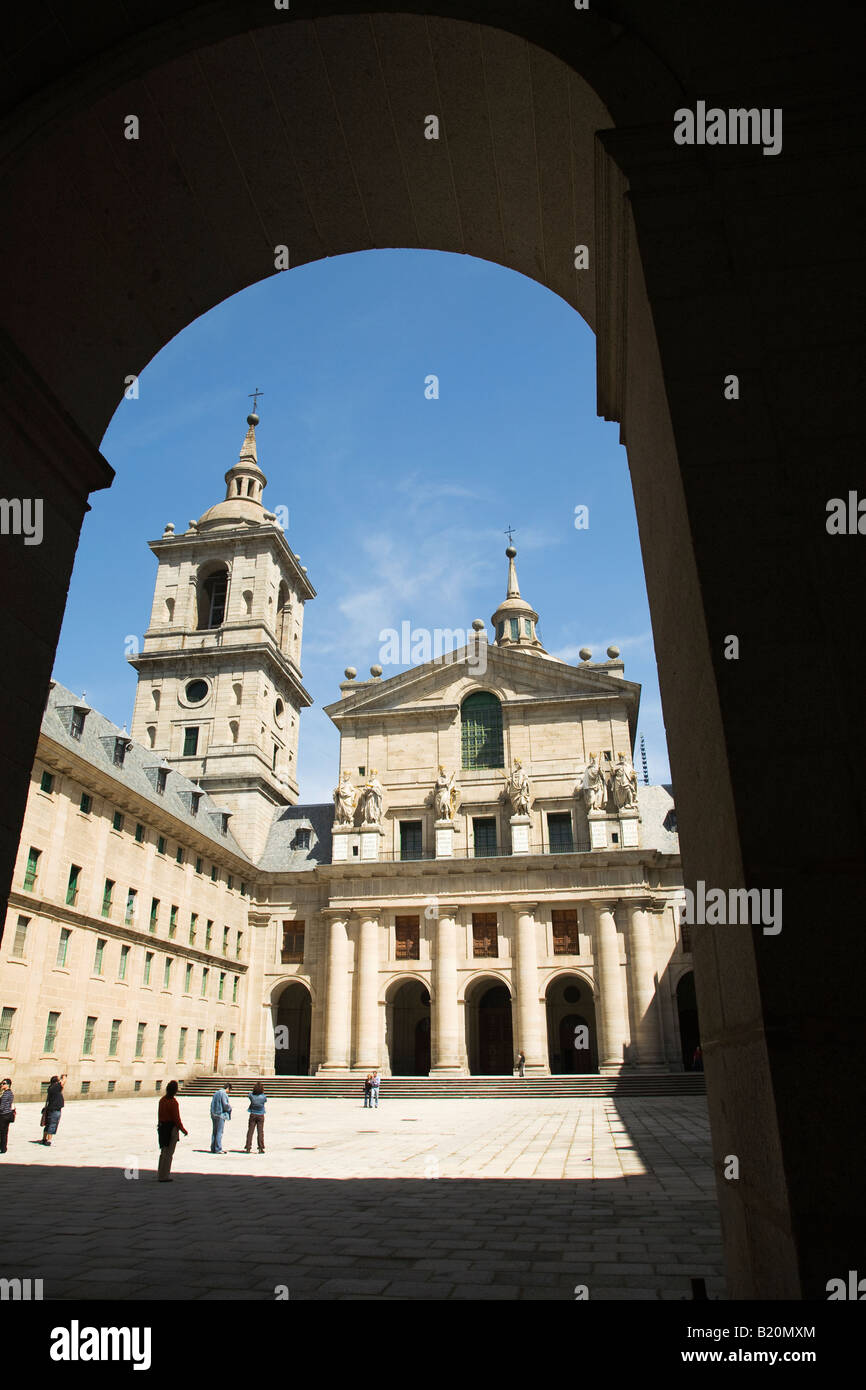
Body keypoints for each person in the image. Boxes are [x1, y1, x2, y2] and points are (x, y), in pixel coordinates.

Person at [157, 1080, 188, 1182]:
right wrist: (183, 1130)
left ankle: (160, 1174)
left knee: (163, 1152)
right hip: (171, 1129)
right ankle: (164, 1175)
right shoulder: (173, 1102)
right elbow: (176, 1118)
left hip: (162, 1127)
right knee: (169, 1153)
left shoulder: (162, 1100)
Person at [40, 1073, 65, 1145]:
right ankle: (49, 1140)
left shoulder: (50, 1087)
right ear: (56, 1082)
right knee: (53, 1124)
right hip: (55, 1109)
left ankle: (44, 1138)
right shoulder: (56, 1087)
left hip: (50, 1108)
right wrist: (64, 1076)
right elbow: (64, 1081)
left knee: (48, 1124)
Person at [244, 1083, 267, 1153]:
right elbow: (265, 1100)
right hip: (260, 1115)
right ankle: (260, 1147)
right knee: (260, 1132)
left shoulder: (252, 1096)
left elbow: (249, 1094)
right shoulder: (263, 1097)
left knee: (250, 1131)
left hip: (253, 1114)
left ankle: (248, 1147)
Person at [210, 1082, 232, 1153]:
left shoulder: (216, 1092)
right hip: (220, 1114)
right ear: (227, 1088)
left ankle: (213, 1147)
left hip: (214, 1114)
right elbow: (225, 1104)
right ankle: (218, 1148)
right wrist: (230, 1108)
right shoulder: (223, 1093)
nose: (229, 1092)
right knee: (219, 1132)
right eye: (229, 1090)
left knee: (214, 1132)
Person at [0, 1078, 15, 1154]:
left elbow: (1, 1107)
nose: (2, 1085)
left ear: (8, 1085)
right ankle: (3, 1148)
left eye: (3, 1083)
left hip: (3, 1115)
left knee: (2, 1132)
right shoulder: (10, 1093)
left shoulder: (5, 1094)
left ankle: (2, 1148)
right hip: (8, 1114)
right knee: (5, 1132)